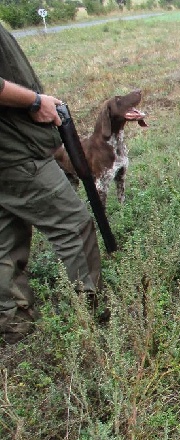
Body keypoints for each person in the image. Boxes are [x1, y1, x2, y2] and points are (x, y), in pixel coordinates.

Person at [0, 24, 104, 344]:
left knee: (7, 237)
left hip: (10, 152)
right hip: (15, 153)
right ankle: (90, 316)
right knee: (74, 225)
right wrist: (34, 102)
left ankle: (10, 319)